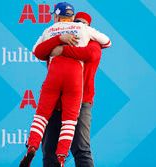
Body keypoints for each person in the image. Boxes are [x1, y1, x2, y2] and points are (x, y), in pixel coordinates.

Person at [19, 2, 111, 167]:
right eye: (77, 22)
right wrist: (59, 40)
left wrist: (61, 48)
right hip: (57, 101)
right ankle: (52, 155)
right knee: (49, 150)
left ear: (89, 26)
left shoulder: (91, 42)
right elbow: (39, 51)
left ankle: (37, 147)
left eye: (82, 23)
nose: (79, 25)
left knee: (81, 150)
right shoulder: (68, 34)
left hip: (82, 101)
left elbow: (91, 54)